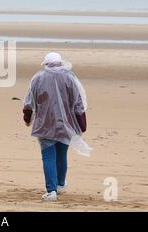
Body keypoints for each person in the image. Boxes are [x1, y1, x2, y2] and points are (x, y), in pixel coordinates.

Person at [22, 52, 90, 201]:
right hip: (66, 124)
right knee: (61, 154)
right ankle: (59, 184)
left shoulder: (38, 78)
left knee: (48, 156)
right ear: (60, 63)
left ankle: (51, 191)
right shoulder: (69, 78)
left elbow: (29, 101)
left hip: (44, 124)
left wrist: (27, 118)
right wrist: (82, 123)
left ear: (46, 64)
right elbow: (78, 102)